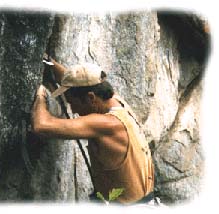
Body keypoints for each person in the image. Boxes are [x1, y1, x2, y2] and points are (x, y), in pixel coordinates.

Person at [32, 54, 154, 204]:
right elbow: (77, 81)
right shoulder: (116, 101)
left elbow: (41, 126)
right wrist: (50, 63)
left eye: (72, 103)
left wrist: (40, 95)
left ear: (90, 98)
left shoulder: (107, 124)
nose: (73, 109)